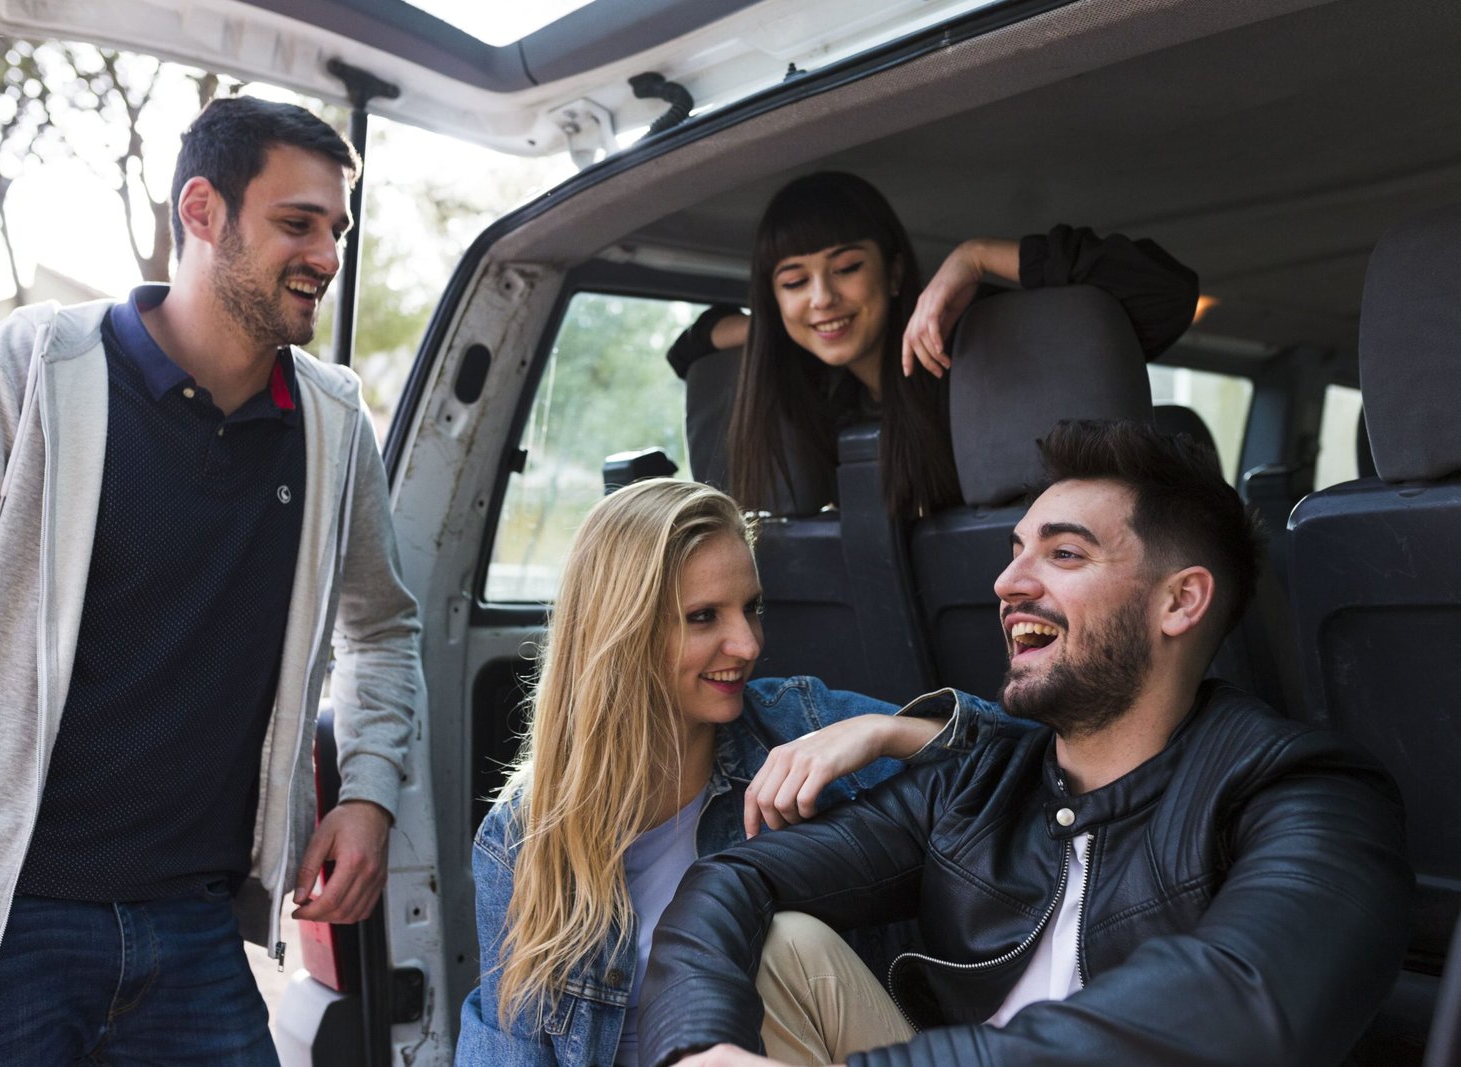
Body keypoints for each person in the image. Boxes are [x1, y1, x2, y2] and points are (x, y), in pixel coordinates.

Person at [0, 96, 426, 1066]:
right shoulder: (30, 368)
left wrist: (369, 792)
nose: (328, 255)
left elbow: (383, 627)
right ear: (202, 211)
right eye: (298, 222)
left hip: (198, 930)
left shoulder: (334, 425)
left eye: (336, 228)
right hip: (2, 928)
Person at [637, 419, 1412, 1067]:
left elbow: (1241, 1002)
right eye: (1015, 550)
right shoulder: (980, 782)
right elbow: (734, 877)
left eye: (1064, 553)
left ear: (1180, 600)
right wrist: (698, 1047)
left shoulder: (1310, 793)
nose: (1009, 581)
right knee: (783, 942)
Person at [456, 478, 997, 1066]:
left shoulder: (795, 723)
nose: (746, 644)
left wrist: (886, 732)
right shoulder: (521, 836)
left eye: (752, 609)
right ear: (623, 632)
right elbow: (509, 1044)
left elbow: (1029, 760)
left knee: (782, 941)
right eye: (704, 616)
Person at [665, 171, 1198, 516]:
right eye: (793, 282)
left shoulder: (979, 346)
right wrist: (782, 329)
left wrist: (976, 257)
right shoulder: (826, 395)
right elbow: (689, 351)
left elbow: (1163, 294)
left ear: (895, 274)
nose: (822, 298)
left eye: (847, 268)